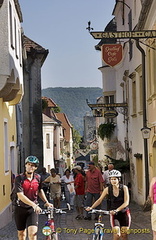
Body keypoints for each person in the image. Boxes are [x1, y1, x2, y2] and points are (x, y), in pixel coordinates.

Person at [14, 156, 53, 240]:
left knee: (33, 234)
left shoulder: (38, 178)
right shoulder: (19, 178)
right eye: (28, 164)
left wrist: (46, 201)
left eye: (32, 165)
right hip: (20, 208)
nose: (30, 167)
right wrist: (34, 205)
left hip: (32, 210)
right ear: (25, 165)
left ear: (35, 168)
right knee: (22, 234)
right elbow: (20, 196)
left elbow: (39, 190)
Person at [86, 170, 131, 240]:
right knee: (117, 235)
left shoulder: (124, 188)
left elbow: (126, 202)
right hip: (114, 215)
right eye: (111, 179)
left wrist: (117, 210)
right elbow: (100, 200)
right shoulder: (107, 189)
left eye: (115, 179)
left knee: (124, 235)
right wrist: (91, 207)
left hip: (124, 213)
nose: (113, 181)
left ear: (119, 179)